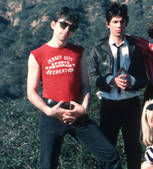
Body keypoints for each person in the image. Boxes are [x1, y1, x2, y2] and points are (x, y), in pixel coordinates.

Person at [27, 7, 122, 169]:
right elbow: (31, 92)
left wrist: (84, 108)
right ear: (53, 24)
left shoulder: (77, 52)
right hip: (52, 113)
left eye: (72, 28)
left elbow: (85, 85)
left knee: (110, 155)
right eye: (63, 25)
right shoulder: (37, 54)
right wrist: (49, 111)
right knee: (47, 165)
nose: (67, 30)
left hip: (76, 111)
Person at [88, 2, 153, 169]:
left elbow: (143, 79)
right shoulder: (98, 49)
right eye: (115, 21)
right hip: (108, 104)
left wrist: (132, 81)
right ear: (108, 24)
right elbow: (92, 77)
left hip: (131, 104)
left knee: (134, 148)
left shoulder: (135, 48)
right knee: (107, 149)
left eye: (122, 21)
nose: (119, 25)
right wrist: (110, 81)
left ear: (126, 23)